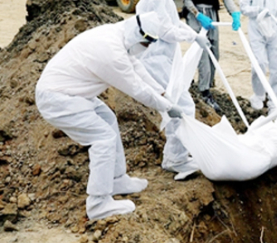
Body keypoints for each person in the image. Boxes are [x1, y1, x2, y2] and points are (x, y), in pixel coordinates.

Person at [36, 12, 182, 220]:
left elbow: (137, 68)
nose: (147, 49)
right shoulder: (111, 52)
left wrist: (162, 94)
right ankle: (98, 203)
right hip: (58, 98)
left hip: (74, 93)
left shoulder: (121, 35)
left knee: (108, 120)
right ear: (139, 35)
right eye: (147, 43)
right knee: (103, 138)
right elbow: (136, 88)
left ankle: (116, 179)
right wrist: (166, 106)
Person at [138, 0, 207, 176]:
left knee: (179, 105)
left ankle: (177, 155)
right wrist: (192, 36)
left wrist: (194, 33)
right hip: (155, 60)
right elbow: (167, 31)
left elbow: (174, 23)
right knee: (183, 106)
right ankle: (175, 158)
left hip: (161, 59)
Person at [183, 0, 241, 113]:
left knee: (214, 53)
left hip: (212, 15)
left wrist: (234, 13)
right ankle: (204, 91)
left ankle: (206, 82)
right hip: (196, 14)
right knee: (203, 52)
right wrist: (197, 14)